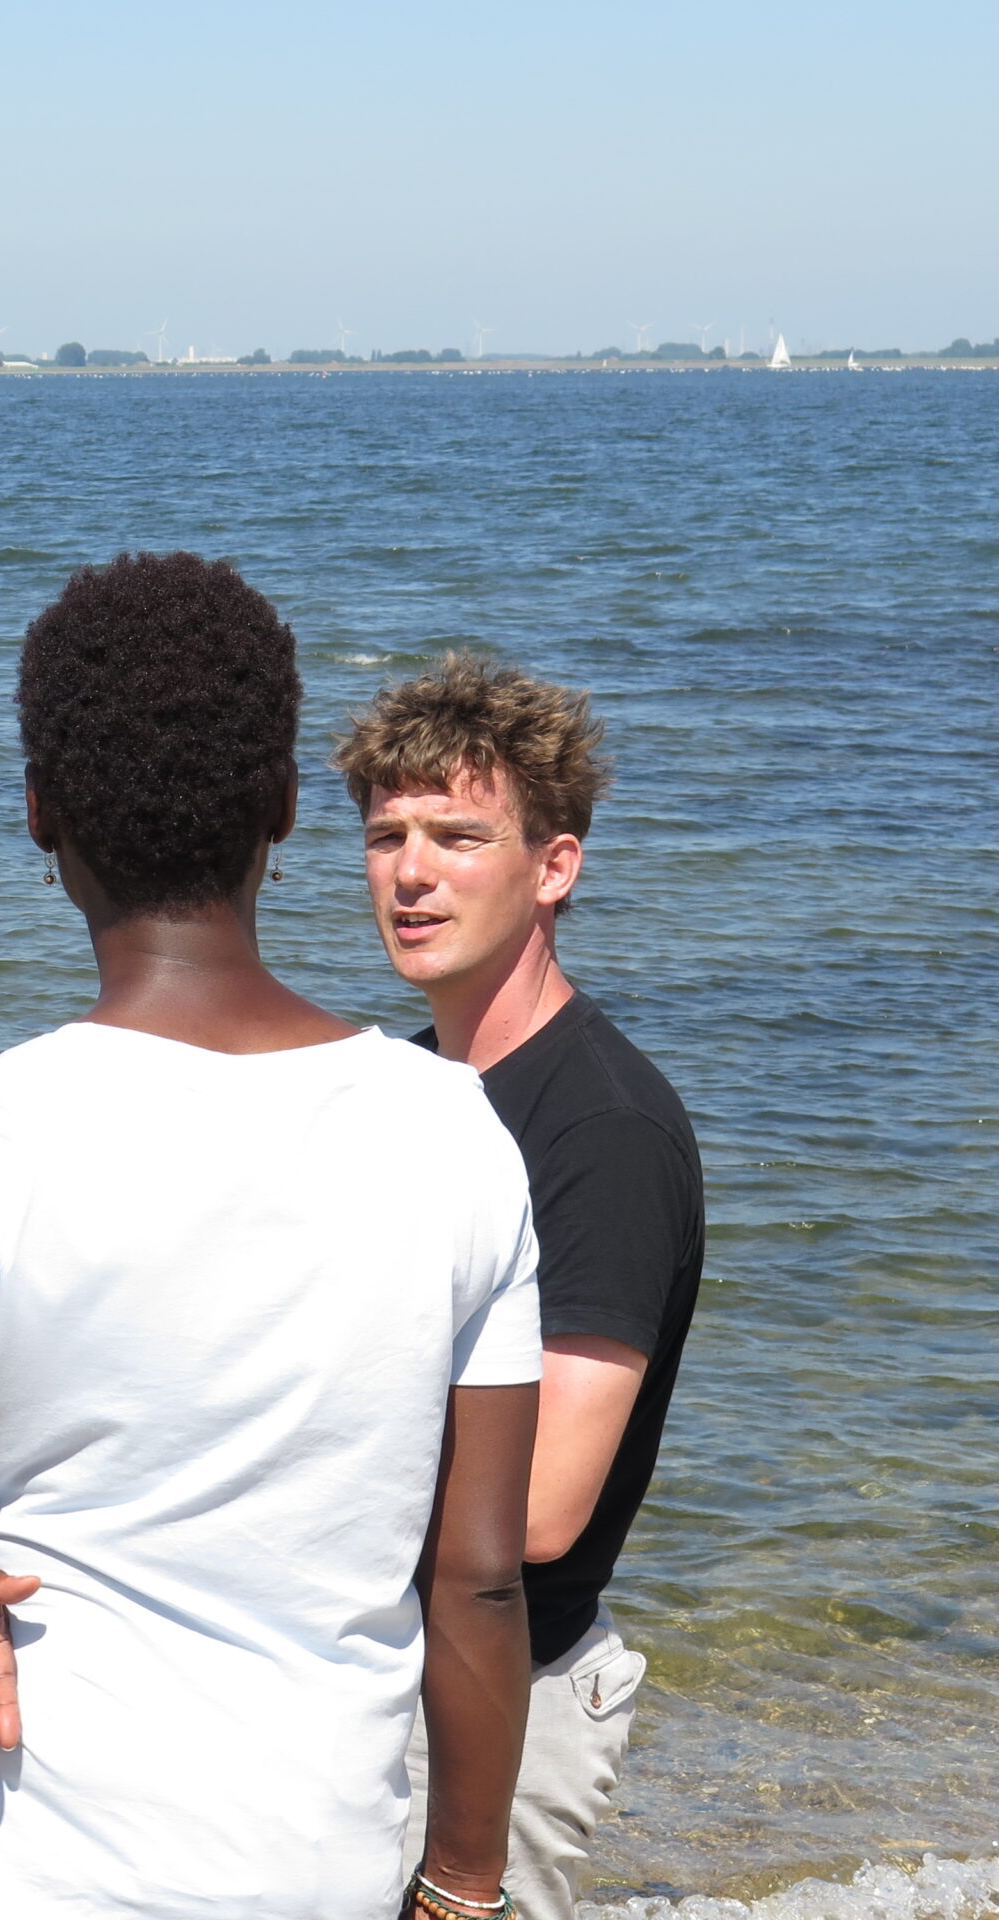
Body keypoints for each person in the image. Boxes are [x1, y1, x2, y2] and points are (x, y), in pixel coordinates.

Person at [0, 552, 546, 1920]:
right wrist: (466, 1880)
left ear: (40, 815)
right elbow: (476, 1580)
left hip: (0, 1863)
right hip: (316, 1875)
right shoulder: (455, 1132)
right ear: (285, 809)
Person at [334, 654, 703, 1920]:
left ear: (554, 866)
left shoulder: (599, 1130)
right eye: (386, 835)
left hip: (511, 1703)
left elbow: (539, 1508)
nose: (411, 871)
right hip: (377, 1680)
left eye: (456, 835)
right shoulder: (405, 1086)